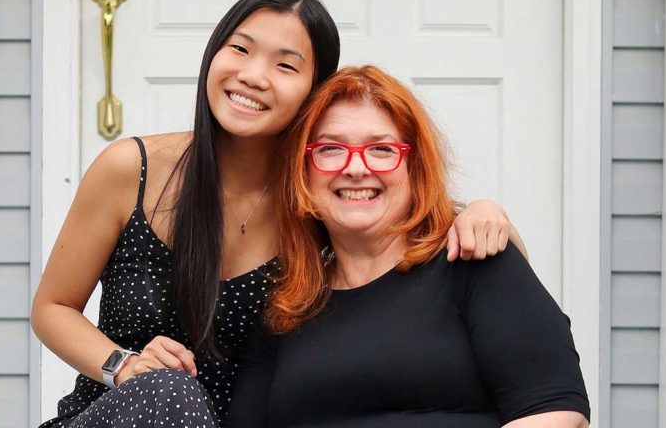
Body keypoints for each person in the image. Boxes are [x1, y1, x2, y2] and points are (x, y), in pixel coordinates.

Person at [32, 0, 526, 428]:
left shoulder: (319, 203)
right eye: (240, 49)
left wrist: (483, 212)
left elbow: (425, 226)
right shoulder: (131, 170)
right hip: (120, 415)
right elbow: (52, 308)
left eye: (285, 65)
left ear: (315, 92)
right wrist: (124, 364)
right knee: (168, 392)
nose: (253, 76)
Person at [227, 65, 590, 428]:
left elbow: (554, 411)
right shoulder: (287, 304)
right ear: (304, 170)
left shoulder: (472, 261)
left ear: (415, 168)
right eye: (331, 148)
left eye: (382, 149)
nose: (356, 168)